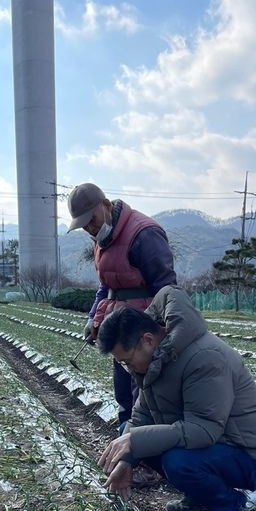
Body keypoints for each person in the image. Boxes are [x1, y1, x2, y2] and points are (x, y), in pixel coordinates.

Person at [96, 285, 256, 511]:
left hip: (247, 453)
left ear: (148, 340)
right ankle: (200, 495)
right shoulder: (157, 358)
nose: (128, 368)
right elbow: (142, 416)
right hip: (214, 445)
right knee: (130, 430)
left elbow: (204, 429)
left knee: (177, 461)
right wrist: (127, 460)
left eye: (127, 360)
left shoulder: (204, 357)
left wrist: (135, 441)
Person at [67, 182, 176, 427]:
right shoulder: (100, 239)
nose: (90, 229)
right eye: (84, 226)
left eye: (92, 221)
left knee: (144, 390)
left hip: (143, 324)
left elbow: (167, 287)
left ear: (106, 206)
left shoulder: (144, 233)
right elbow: (106, 286)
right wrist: (93, 315)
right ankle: (126, 438)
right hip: (117, 324)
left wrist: (166, 330)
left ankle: (143, 444)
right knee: (123, 388)